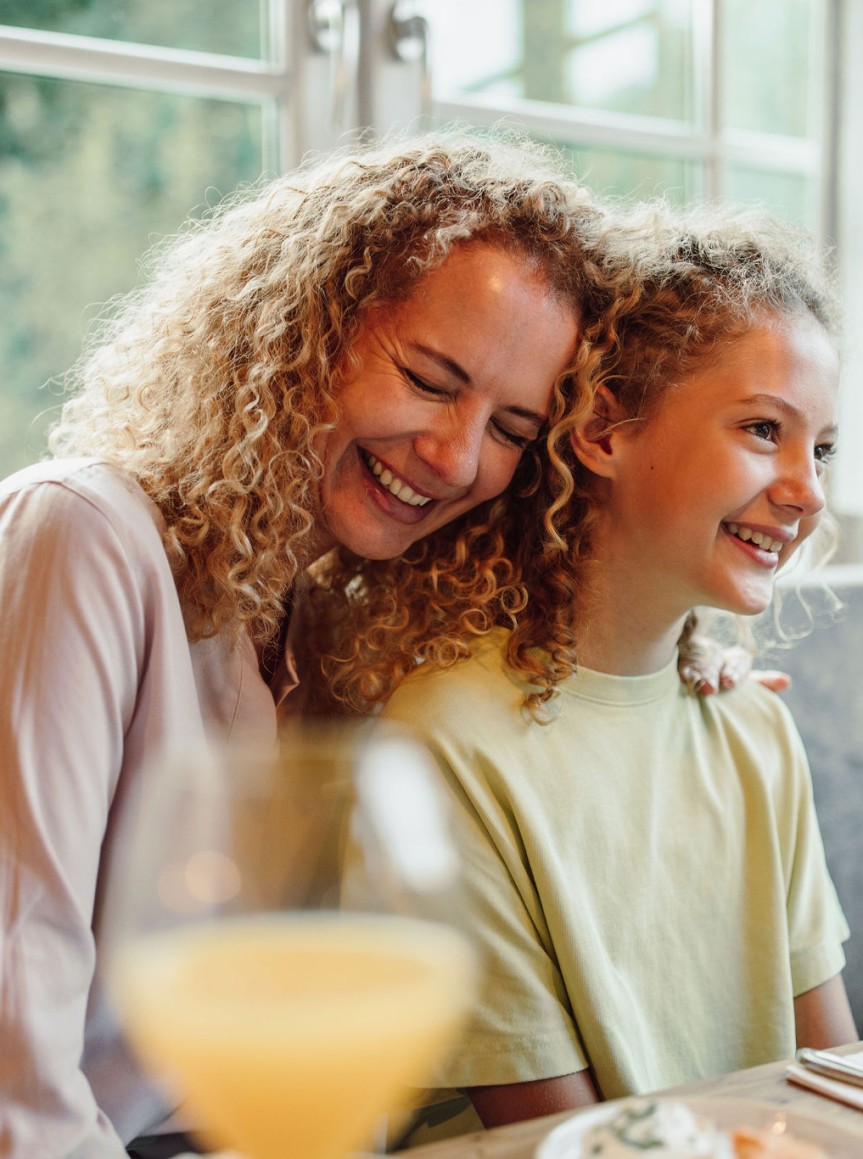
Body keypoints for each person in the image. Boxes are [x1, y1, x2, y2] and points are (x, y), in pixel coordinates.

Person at [0, 131, 598, 1158]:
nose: (456, 459)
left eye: (509, 429)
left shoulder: (327, 616)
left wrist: (685, 663)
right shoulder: (86, 535)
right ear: (304, 332)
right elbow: (15, 1007)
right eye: (427, 376)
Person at [346, 203, 858, 1142]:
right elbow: (561, 1136)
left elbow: (832, 1086)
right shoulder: (449, 739)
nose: (808, 491)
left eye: (819, 448)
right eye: (760, 429)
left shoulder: (753, 728)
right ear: (603, 431)